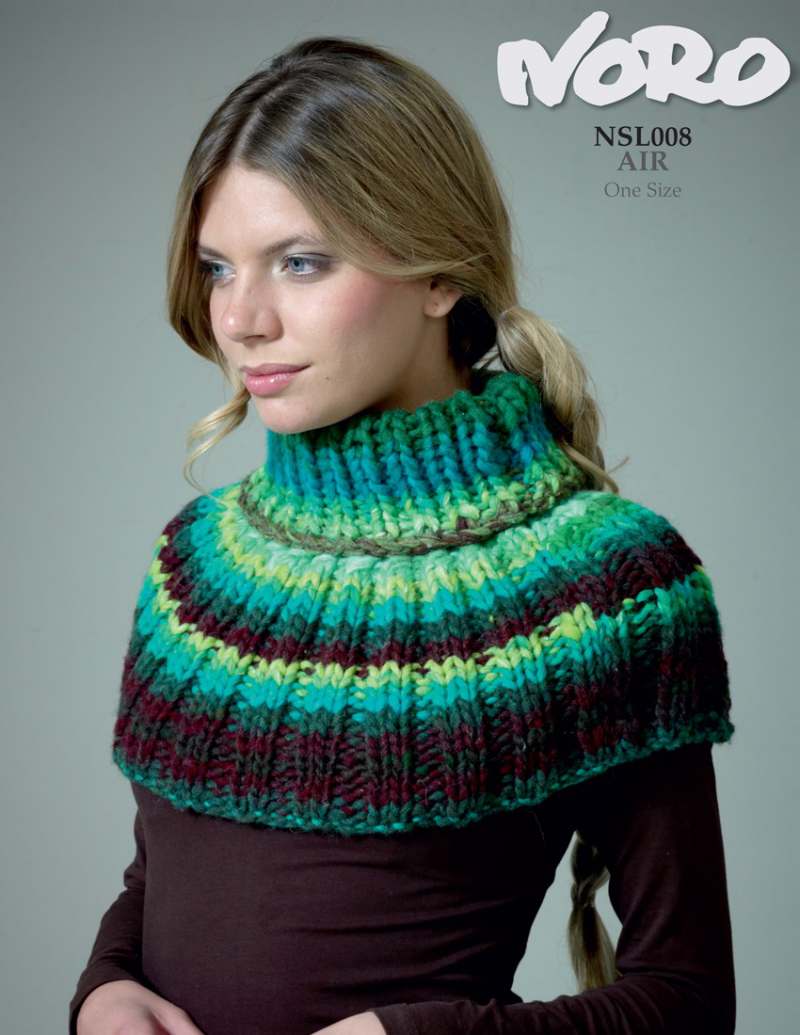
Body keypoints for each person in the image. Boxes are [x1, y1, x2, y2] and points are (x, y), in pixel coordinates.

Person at [70, 35, 736, 1035]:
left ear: (440, 275)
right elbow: (159, 878)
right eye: (217, 269)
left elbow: (685, 1001)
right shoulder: (196, 563)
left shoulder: (608, 583)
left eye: (300, 262)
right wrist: (104, 988)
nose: (241, 319)